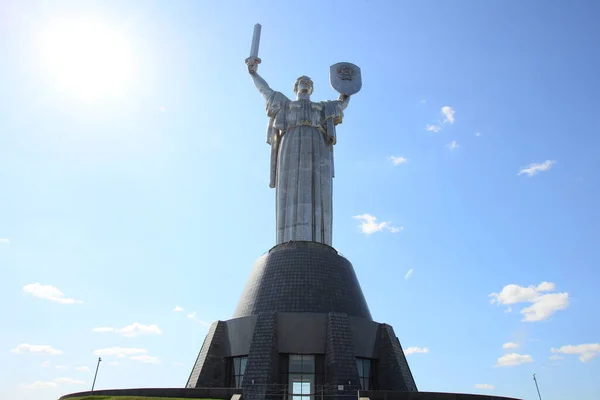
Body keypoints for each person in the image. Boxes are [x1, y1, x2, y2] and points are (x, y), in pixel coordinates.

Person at [246, 58, 351, 246]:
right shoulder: (285, 104)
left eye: (309, 83)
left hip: (317, 144)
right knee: (290, 186)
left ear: (312, 89)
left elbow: (341, 104)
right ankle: (288, 240)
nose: (306, 83)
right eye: (303, 81)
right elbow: (265, 90)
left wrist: (347, 90)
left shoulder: (322, 106)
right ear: (296, 87)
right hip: (291, 142)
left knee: (317, 187)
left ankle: (318, 241)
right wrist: (254, 73)